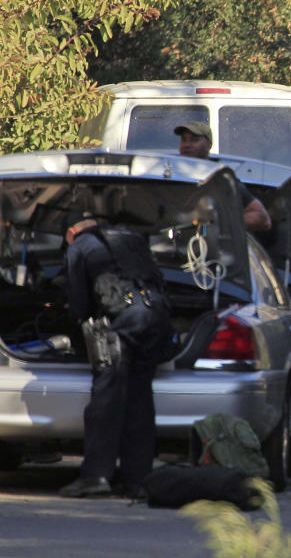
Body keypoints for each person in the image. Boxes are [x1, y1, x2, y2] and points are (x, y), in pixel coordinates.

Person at [58, 212, 173, 498]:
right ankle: (138, 479)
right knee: (139, 397)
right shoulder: (132, 237)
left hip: (121, 322)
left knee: (106, 397)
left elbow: (79, 304)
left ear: (72, 232)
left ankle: (96, 476)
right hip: (157, 319)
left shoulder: (79, 246)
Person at [175, 122, 272, 232]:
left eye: (194, 140)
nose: (187, 145)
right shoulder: (168, 175)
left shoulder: (220, 179)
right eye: (184, 139)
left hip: (208, 246)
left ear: (209, 144)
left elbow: (262, 218)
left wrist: (219, 224)